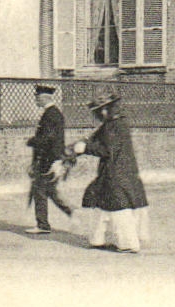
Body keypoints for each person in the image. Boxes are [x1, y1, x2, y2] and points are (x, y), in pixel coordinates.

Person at [72, 92, 149, 253]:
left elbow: (107, 149)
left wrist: (85, 148)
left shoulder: (113, 126)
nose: (99, 114)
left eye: (100, 111)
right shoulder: (116, 123)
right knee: (101, 204)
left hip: (115, 172)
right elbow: (96, 140)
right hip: (119, 171)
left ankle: (128, 244)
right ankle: (97, 239)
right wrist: (82, 146)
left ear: (105, 110)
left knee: (119, 207)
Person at [24, 84, 73, 235]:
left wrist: (32, 141)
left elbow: (47, 139)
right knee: (49, 191)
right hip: (49, 159)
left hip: (48, 160)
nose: (36, 100)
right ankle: (72, 213)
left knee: (40, 190)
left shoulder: (51, 114)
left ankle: (43, 225)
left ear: (44, 97)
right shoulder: (52, 113)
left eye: (37, 97)